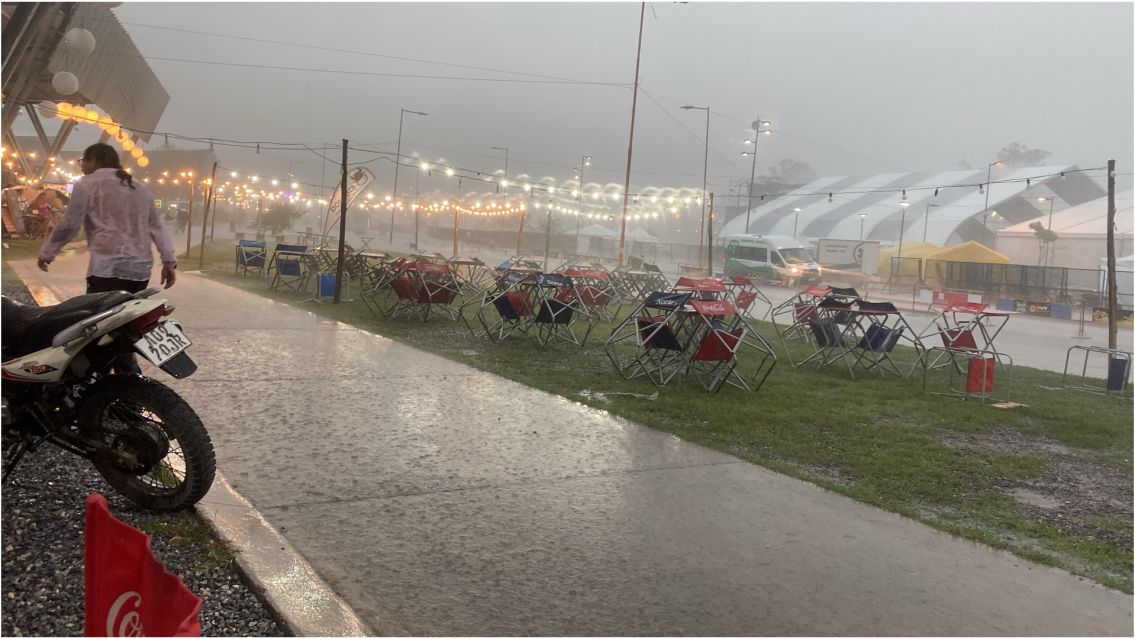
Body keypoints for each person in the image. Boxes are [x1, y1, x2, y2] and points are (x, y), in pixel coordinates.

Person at [37, 143, 178, 373]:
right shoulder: (139, 187)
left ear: (94, 160)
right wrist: (169, 263)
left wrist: (47, 252)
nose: (82, 166)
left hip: (106, 272)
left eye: (83, 161)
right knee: (122, 330)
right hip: (139, 273)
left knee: (94, 335)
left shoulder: (87, 184)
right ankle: (128, 383)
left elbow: (70, 224)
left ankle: (106, 386)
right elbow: (156, 226)